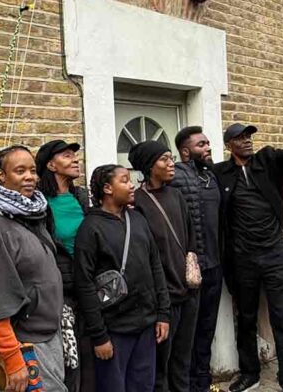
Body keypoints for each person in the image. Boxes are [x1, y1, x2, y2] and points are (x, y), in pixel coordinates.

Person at [212, 121, 283, 392]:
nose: (247, 140)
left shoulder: (269, 160)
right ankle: (250, 374)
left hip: (273, 255)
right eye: (240, 137)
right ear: (229, 145)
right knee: (246, 319)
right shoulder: (221, 173)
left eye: (249, 136)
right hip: (241, 259)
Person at [0, 146, 67, 392]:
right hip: (23, 341)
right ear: (1, 175)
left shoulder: (33, 213)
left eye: (32, 170)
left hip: (48, 332)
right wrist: (12, 357)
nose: (30, 177)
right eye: (20, 171)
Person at [74, 164, 172, 392]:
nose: (131, 185)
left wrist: (163, 314)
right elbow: (85, 285)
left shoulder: (137, 219)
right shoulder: (90, 228)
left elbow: (155, 266)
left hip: (146, 327)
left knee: (144, 386)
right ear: (107, 188)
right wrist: (99, 337)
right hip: (113, 332)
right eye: (125, 180)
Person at [129, 141, 199, 392]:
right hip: (163, 299)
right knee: (160, 364)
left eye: (171, 158)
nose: (172, 164)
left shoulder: (177, 195)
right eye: (164, 159)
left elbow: (190, 236)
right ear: (149, 166)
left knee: (183, 359)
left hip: (188, 292)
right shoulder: (136, 202)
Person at [36, 139, 93, 392]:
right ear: (51, 165)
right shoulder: (38, 201)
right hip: (61, 292)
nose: (74, 159)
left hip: (88, 286)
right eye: (67, 156)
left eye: (75, 155)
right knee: (69, 360)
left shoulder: (81, 196)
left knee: (91, 354)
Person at [169, 126, 222, 392]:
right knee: (187, 335)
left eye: (208, 143)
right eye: (201, 144)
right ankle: (187, 385)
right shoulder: (175, 176)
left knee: (206, 330)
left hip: (215, 265)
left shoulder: (210, 175)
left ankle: (204, 382)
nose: (208, 147)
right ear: (186, 151)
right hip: (190, 271)